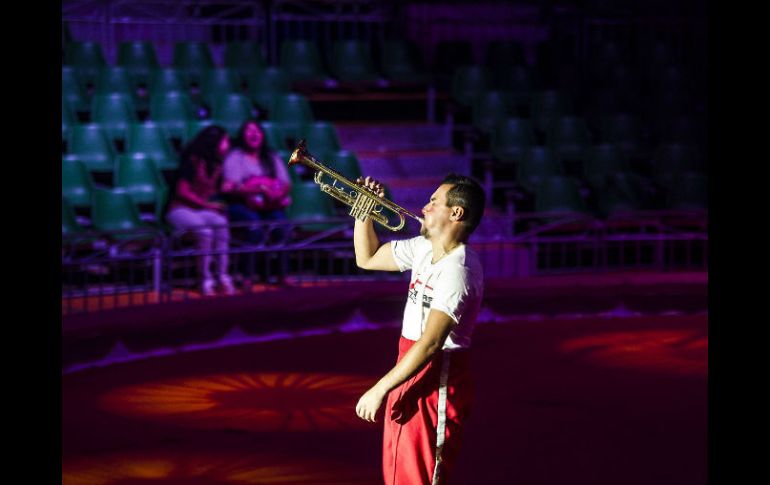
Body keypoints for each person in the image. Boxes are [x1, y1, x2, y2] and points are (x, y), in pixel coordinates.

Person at [353, 173, 486, 485]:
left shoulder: (459, 269)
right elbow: (367, 258)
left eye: (434, 202)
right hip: (409, 367)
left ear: (456, 213)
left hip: (435, 379)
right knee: (399, 472)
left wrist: (379, 389)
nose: (424, 208)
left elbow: (430, 343)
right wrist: (364, 212)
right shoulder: (423, 247)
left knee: (420, 476)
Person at [166, 125, 236, 297]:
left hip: (199, 210)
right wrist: (208, 206)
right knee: (204, 231)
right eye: (226, 140)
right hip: (179, 210)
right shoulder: (193, 161)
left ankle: (222, 276)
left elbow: (209, 191)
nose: (228, 144)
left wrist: (225, 189)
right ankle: (205, 280)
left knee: (221, 224)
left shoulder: (217, 164)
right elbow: (182, 191)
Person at [221, 119, 292, 245]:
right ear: (242, 136)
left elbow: (286, 184)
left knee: (282, 227)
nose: (253, 134)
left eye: (257, 131)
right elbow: (231, 188)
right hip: (241, 204)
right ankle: (250, 264)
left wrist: (278, 194)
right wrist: (260, 189)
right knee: (255, 226)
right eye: (249, 131)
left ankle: (281, 264)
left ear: (262, 135)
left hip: (270, 204)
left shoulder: (271, 156)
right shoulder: (235, 156)